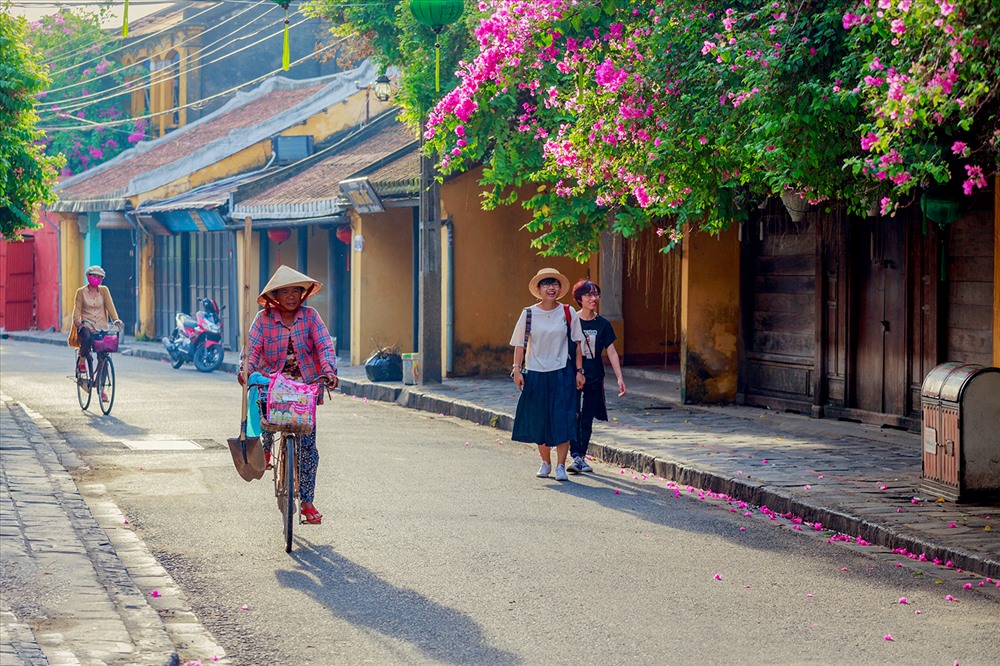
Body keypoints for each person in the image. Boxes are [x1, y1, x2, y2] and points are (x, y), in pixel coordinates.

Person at [243, 265, 338, 524]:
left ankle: (307, 501)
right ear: (275, 296)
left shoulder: (311, 317)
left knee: (308, 447)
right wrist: (245, 368)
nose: (291, 296)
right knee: (265, 409)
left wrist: (328, 371)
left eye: (296, 291)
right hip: (272, 383)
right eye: (285, 292)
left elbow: (324, 345)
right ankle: (264, 446)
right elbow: (251, 350)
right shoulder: (263, 319)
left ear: (302, 294)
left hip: (303, 387)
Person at [510, 268, 586, 481]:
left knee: (563, 418)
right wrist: (517, 369)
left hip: (562, 372)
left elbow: (578, 345)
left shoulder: (568, 312)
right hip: (535, 372)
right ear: (539, 289)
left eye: (554, 284)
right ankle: (545, 462)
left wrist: (579, 371)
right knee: (539, 419)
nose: (551, 288)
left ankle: (561, 466)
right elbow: (519, 345)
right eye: (546, 284)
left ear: (560, 289)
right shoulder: (529, 313)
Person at [566, 279, 626, 474]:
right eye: (589, 295)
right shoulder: (571, 320)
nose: (594, 298)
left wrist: (619, 378)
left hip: (595, 374)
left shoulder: (603, 324)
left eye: (596, 294)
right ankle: (575, 454)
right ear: (579, 298)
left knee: (587, 416)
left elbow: (612, 352)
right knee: (573, 412)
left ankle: (580, 456)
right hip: (573, 373)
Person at [68, 265, 123, 379]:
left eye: (100, 277)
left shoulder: (104, 290)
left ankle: (102, 388)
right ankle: (82, 360)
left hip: (101, 327)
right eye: (94, 276)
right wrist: (77, 321)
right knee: (86, 338)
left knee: (104, 356)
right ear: (88, 277)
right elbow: (77, 310)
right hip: (86, 325)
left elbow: (110, 306)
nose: (97, 279)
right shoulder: (81, 292)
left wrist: (116, 320)